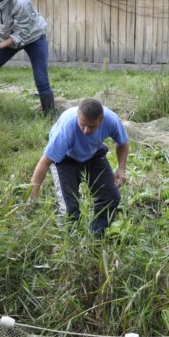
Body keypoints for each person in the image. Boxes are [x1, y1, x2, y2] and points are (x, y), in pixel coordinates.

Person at [28, 98, 129, 238]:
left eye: (92, 126)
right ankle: (67, 242)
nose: (86, 130)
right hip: (65, 159)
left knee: (110, 197)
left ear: (101, 120)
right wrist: (33, 194)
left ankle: (95, 238)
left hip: (93, 155)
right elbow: (44, 162)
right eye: (82, 125)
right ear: (77, 116)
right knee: (70, 209)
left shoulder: (111, 120)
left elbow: (122, 143)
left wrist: (121, 169)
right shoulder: (66, 128)